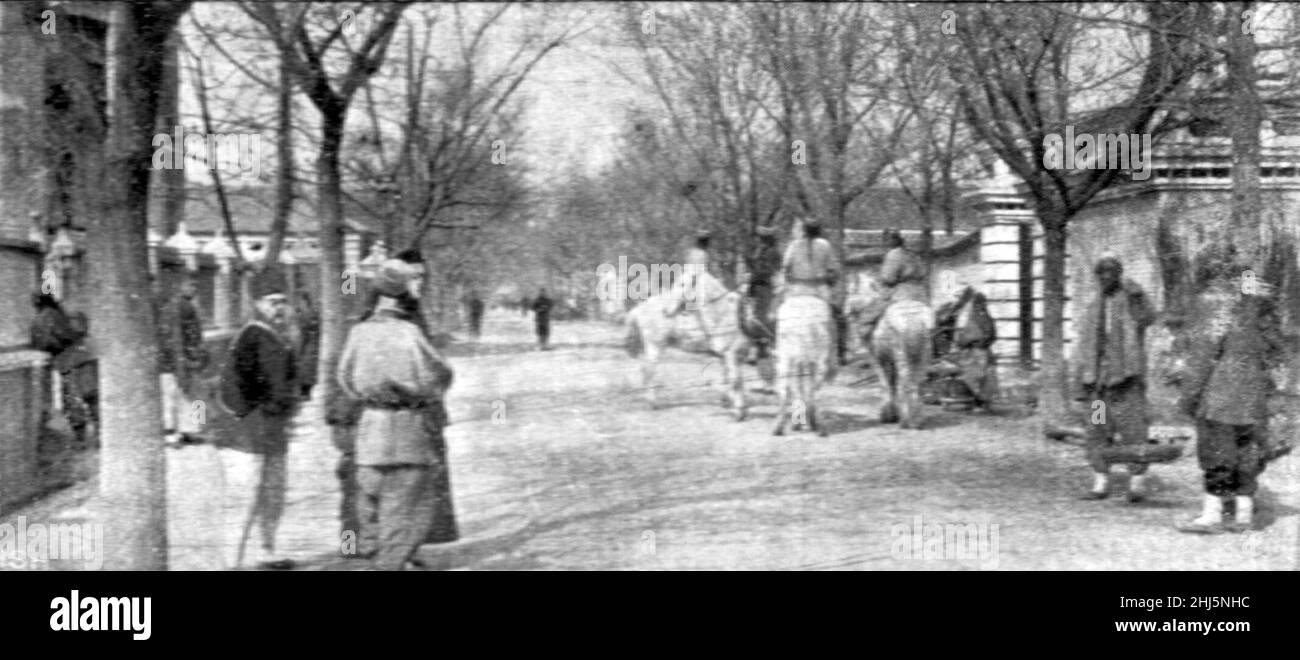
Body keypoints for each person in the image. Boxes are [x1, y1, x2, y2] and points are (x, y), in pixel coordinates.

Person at [338, 259, 455, 570]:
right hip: (408, 432)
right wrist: (424, 394)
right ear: (403, 298)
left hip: (370, 432)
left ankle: (381, 558)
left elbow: (344, 377)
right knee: (410, 512)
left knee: (372, 510)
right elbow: (439, 374)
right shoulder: (410, 333)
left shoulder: (358, 332)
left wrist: (366, 395)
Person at [1176, 272, 1284, 533]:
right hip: (1255, 401)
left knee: (1218, 455)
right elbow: (1277, 363)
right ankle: (1244, 516)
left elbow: (1201, 361)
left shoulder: (1224, 316)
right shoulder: (1268, 324)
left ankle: (1212, 515)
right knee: (1247, 454)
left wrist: (1189, 399)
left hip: (1221, 399)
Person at [227, 269, 298, 569]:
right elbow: (237, 386)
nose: (278, 308)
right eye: (272, 302)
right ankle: (232, 560)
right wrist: (255, 412)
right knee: (247, 498)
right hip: (252, 431)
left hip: (272, 430)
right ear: (258, 303)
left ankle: (265, 550)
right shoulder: (253, 335)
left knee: (273, 494)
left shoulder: (277, 336)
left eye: (282, 301)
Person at [1075, 256, 1156, 503]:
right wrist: (1082, 379)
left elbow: (1148, 317)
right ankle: (1100, 481)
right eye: (1100, 273)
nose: (1105, 277)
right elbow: (1084, 344)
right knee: (1097, 428)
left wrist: (1138, 295)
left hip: (1126, 380)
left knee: (1133, 428)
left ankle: (1137, 482)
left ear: (1118, 274)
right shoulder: (1094, 305)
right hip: (1099, 385)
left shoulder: (1131, 301)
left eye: (1110, 272)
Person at [31, 293, 96, 448]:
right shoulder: (56, 314)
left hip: (67, 361)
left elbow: (44, 342)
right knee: (90, 397)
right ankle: (97, 436)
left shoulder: (44, 316)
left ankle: (80, 440)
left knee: (73, 401)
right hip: (79, 357)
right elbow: (67, 334)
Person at [780, 216, 840, 376]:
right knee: (835, 320)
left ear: (804, 230)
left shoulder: (793, 245)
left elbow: (785, 268)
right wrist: (830, 280)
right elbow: (834, 270)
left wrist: (792, 280)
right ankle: (835, 356)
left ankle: (779, 349)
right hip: (820, 290)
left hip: (796, 290)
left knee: (779, 316)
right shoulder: (825, 245)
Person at [857, 228, 928, 349]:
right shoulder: (914, 255)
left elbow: (888, 279)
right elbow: (923, 273)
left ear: (891, 241)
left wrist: (878, 280)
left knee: (867, 318)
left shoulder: (894, 254)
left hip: (901, 294)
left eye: (886, 240)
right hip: (921, 295)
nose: (885, 243)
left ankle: (868, 346)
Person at [159, 277, 209, 447]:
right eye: (190, 285)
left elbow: (195, 336)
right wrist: (186, 357)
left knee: (192, 397)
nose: (194, 289)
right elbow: (176, 338)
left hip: (185, 359)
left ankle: (188, 430)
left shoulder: (189, 306)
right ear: (179, 286)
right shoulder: (178, 307)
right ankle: (174, 433)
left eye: (196, 285)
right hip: (175, 360)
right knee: (174, 396)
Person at [937, 284, 998, 411]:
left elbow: (968, 337)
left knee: (973, 373)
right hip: (984, 352)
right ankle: (981, 401)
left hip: (975, 353)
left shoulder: (974, 316)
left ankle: (978, 401)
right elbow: (991, 335)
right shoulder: (985, 316)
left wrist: (962, 343)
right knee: (983, 374)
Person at [747, 225, 782, 359]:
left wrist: (757, 271)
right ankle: (756, 346)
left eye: (762, 238)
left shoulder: (772, 252)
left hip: (765, 286)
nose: (760, 240)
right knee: (752, 315)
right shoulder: (761, 250)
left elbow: (771, 269)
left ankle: (758, 349)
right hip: (756, 285)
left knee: (759, 317)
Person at [294, 291, 320, 398]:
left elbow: (303, 335)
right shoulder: (314, 313)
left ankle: (305, 394)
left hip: (307, 349)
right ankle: (307, 393)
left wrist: (299, 351)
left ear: (304, 301)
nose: (299, 303)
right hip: (314, 348)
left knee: (303, 373)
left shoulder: (304, 315)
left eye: (300, 301)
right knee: (309, 374)